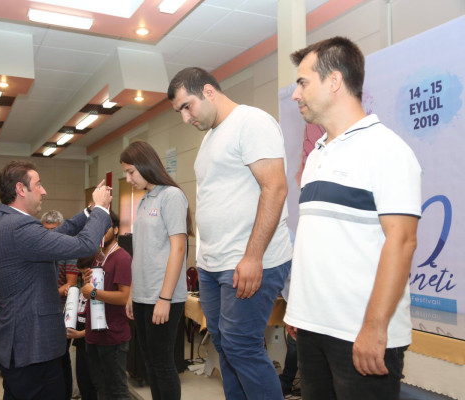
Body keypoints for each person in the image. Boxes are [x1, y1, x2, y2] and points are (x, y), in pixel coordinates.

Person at [284, 37, 421, 400]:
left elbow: (402, 242)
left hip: (360, 335)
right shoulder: (316, 155)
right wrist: (299, 310)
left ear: (334, 81)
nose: (296, 94)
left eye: (303, 83)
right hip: (312, 329)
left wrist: (375, 328)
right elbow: (318, 241)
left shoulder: (387, 150)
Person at [167, 67, 293, 399]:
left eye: (187, 106)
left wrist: (253, 257)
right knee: (224, 344)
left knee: (241, 346)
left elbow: (275, 188)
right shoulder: (210, 137)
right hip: (213, 264)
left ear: (209, 92)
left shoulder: (252, 122)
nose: (185, 118)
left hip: (248, 259)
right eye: (180, 111)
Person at [0, 160, 112, 400]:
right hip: (33, 346)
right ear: (21, 189)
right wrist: (101, 210)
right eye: (38, 184)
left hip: (23, 344)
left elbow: (54, 236)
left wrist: (88, 212)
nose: (44, 191)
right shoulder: (19, 227)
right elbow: (85, 245)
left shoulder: (6, 221)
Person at [120, 141, 193, 400]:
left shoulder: (171, 196)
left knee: (162, 362)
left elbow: (179, 249)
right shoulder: (144, 199)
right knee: (149, 361)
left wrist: (165, 298)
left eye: (131, 172)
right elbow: (141, 252)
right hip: (142, 294)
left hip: (162, 295)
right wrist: (132, 293)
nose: (128, 179)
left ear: (145, 165)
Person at [81, 211, 132, 400]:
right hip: (94, 334)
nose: (101, 230)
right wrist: (87, 283)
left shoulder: (122, 258)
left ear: (116, 230)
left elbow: (124, 297)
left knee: (117, 391)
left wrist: (93, 292)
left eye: (107, 226)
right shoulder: (98, 257)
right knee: (101, 388)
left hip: (113, 337)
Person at [41, 209, 79, 400]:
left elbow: (71, 284)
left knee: (61, 359)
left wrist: (43, 295)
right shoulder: (38, 248)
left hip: (62, 314)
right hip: (41, 313)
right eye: (46, 229)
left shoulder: (67, 250)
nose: (50, 233)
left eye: (54, 229)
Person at [67, 256, 98, 400]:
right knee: (82, 381)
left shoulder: (98, 292)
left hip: (92, 343)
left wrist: (79, 334)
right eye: (82, 274)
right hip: (80, 345)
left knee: (93, 384)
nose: (84, 277)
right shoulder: (82, 291)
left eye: (86, 273)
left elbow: (100, 323)